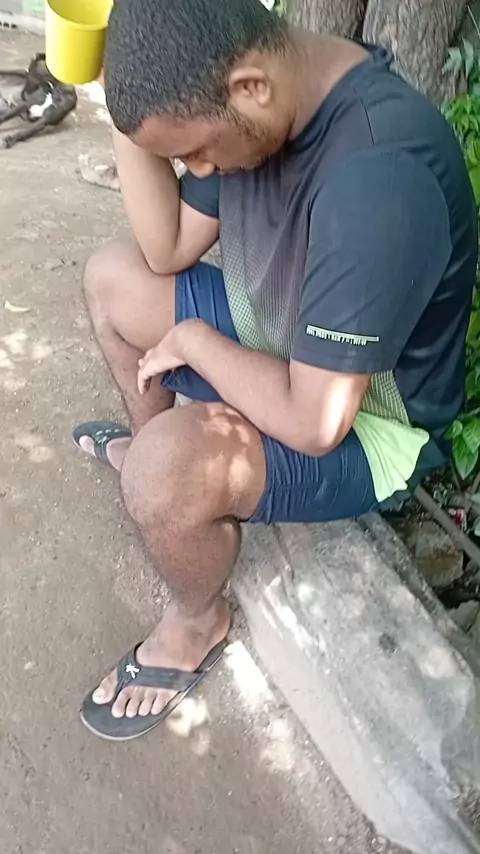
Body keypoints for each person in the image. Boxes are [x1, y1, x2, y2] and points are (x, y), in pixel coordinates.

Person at [75, 0, 477, 740]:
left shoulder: (379, 178)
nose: (198, 171)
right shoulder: (256, 103)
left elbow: (313, 422)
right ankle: (149, 453)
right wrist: (126, 112)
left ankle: (198, 619)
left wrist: (197, 344)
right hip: (281, 334)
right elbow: (165, 247)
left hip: (368, 424)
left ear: (251, 87)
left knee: (165, 474)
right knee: (113, 279)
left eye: (197, 154)